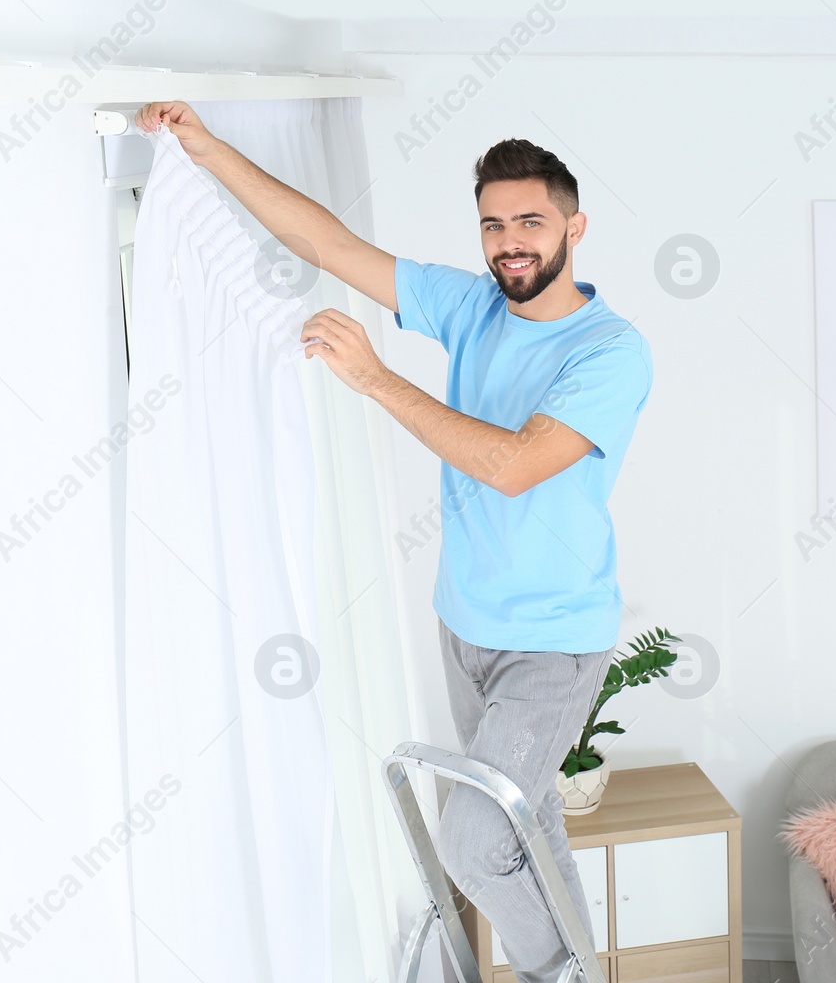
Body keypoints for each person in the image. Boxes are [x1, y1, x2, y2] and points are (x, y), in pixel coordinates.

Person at [134, 101, 654, 982]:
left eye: (530, 221)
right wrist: (206, 150)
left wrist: (375, 380)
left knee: (476, 841)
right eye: (493, 225)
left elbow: (515, 465)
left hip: (553, 643)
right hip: (467, 627)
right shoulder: (475, 306)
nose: (509, 243)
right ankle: (579, 972)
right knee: (533, 831)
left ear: (575, 226)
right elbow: (331, 246)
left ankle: (552, 977)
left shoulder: (609, 351)